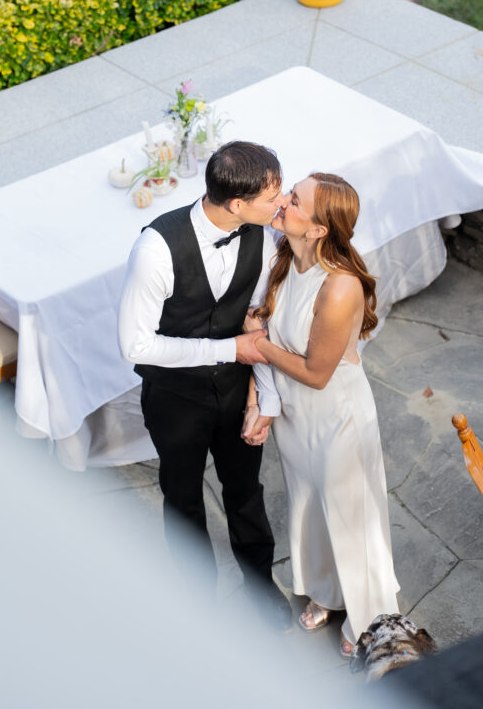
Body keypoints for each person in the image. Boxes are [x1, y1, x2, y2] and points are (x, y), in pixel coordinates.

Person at [118, 140, 290, 629]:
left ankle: (260, 588)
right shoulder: (155, 249)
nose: (280, 205)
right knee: (183, 498)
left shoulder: (262, 234)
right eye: (271, 197)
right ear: (237, 204)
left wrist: (267, 397)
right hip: (175, 400)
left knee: (245, 493)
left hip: (238, 392)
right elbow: (135, 346)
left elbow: (260, 325)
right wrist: (228, 349)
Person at [243, 172, 400, 655]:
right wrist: (260, 401)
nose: (282, 202)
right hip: (296, 417)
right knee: (310, 506)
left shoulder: (339, 288)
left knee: (351, 517)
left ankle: (370, 619)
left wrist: (259, 348)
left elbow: (315, 372)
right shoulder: (284, 256)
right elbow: (261, 322)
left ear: (316, 229)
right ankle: (330, 593)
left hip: (336, 418)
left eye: (293, 201)